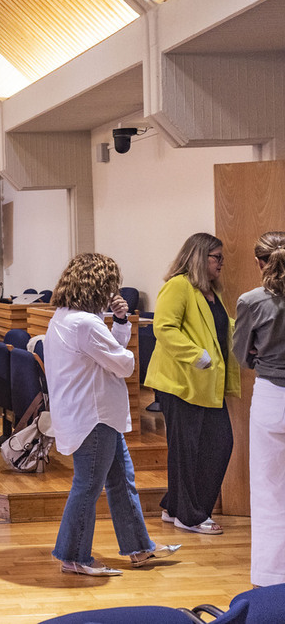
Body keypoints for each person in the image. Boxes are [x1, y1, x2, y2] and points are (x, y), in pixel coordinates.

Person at [46, 253, 180, 576]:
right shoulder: (85, 324)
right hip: (94, 417)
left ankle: (139, 547)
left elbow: (108, 355)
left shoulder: (65, 317)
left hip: (95, 414)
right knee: (88, 485)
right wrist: (124, 352)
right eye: (110, 287)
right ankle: (74, 556)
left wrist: (120, 322)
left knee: (121, 480)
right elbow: (123, 364)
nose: (112, 293)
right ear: (97, 285)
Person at [145, 233, 240, 535]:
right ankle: (191, 515)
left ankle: (176, 506)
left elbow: (220, 329)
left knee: (219, 443)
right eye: (217, 257)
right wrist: (195, 355)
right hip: (182, 382)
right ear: (199, 257)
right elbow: (164, 327)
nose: (221, 263)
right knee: (188, 450)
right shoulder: (178, 286)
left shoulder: (211, 292)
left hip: (208, 384)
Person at [232, 231, 285, 587]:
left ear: (259, 262)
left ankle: (269, 578)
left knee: (268, 491)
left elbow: (241, 354)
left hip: (271, 395)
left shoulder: (252, 300)